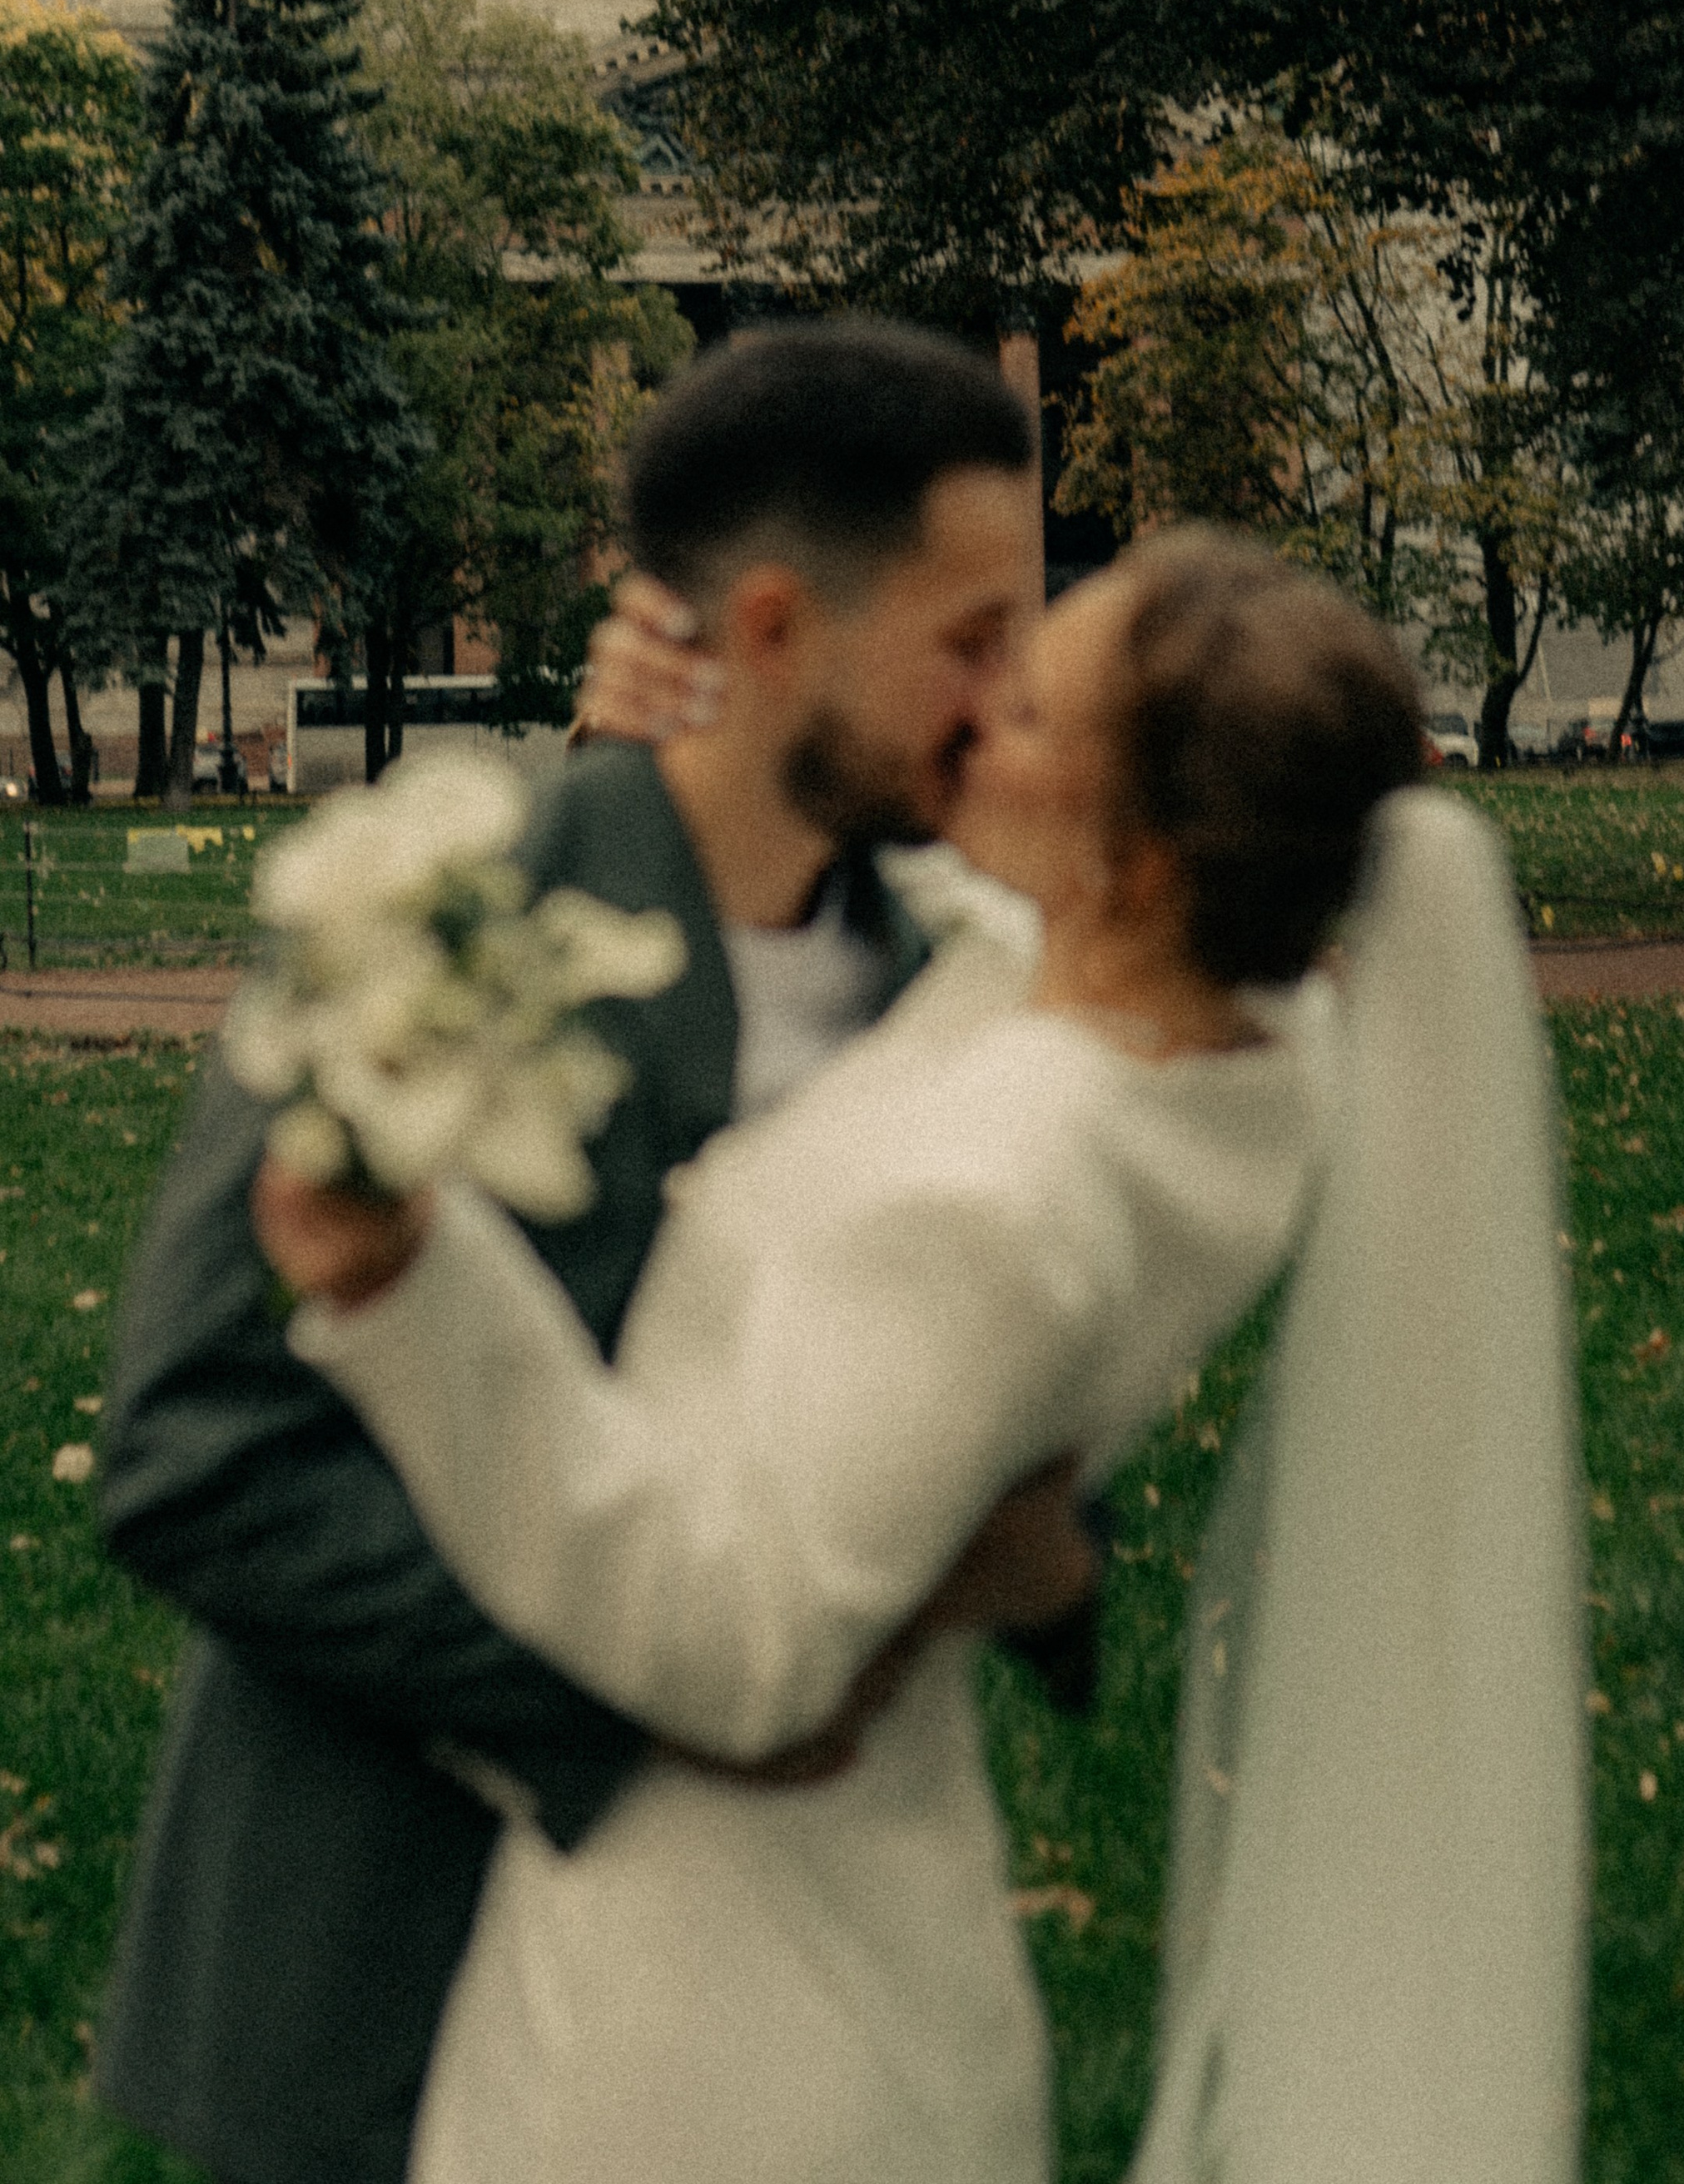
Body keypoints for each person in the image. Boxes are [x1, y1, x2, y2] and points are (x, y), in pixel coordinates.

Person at [256, 528, 1587, 2184]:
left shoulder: (1002, 1197)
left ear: (1150, 854)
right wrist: (696, 744)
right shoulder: (1247, 1050)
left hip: (715, 2023)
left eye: (1024, 710)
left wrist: (408, 1283)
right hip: (859, 1902)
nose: (969, 722)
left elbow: (739, 1642)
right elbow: (977, 919)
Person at [95, 320, 1105, 2184]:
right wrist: (679, 1689)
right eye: (972, 638)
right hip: (395, 1947)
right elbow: (191, 1449)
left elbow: (994, 1407)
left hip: (784, 1991)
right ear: (779, 628)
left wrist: (1049, 1568)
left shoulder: (965, 985)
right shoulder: (438, 911)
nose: (1015, 693)